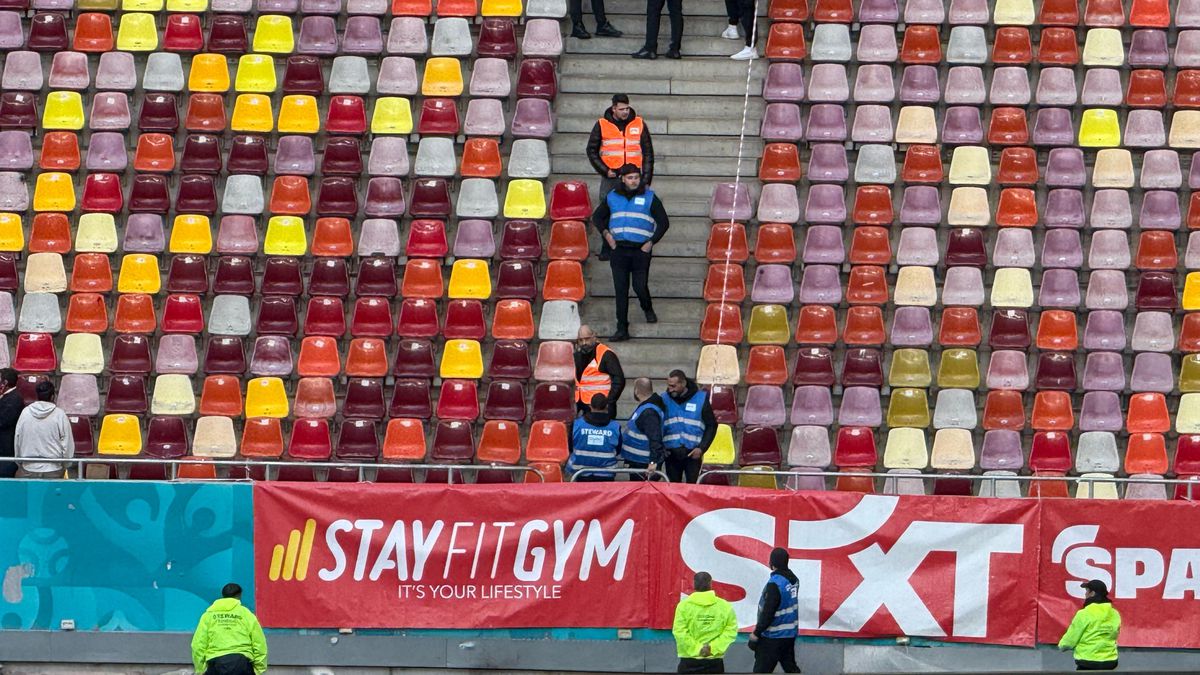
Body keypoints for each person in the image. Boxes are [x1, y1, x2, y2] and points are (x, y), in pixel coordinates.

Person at [592, 163, 670, 341]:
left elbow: (664, 223)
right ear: (622, 179)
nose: (634, 181)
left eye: (636, 177)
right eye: (630, 178)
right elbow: (597, 217)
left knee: (639, 286)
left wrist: (651, 242)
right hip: (619, 249)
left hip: (640, 250)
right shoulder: (612, 196)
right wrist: (607, 235)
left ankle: (647, 307)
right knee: (621, 290)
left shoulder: (649, 197)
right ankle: (622, 328)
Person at [586, 94, 655, 260]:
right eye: (622, 109)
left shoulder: (639, 123)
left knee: (633, 210)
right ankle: (607, 246)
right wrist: (604, 170)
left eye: (627, 108)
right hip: (612, 176)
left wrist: (646, 179)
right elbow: (591, 150)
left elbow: (648, 153)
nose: (625, 112)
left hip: (633, 176)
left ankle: (634, 244)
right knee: (607, 210)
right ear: (613, 109)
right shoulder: (602, 124)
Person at [191, 583, 268, 675]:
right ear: (239, 596)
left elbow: (197, 644)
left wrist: (200, 669)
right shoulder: (246, 614)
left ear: (223, 595)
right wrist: (259, 669)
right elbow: (259, 642)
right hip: (242, 663)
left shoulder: (208, 615)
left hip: (216, 662)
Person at [673, 571, 738, 674]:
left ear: (694, 584)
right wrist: (712, 648)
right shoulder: (725, 606)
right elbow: (730, 631)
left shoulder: (683, 606)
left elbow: (679, 632)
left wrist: (698, 649)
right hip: (714, 662)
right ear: (710, 584)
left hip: (689, 661)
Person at [750, 548, 801, 673]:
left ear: (772, 563)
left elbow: (768, 612)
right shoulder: (794, 580)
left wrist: (756, 633)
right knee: (790, 668)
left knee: (761, 670)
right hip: (789, 634)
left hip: (772, 636)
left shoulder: (775, 583)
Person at [662, 370, 717, 483]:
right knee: (672, 488)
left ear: (683, 383)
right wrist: (661, 447)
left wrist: (702, 448)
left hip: (693, 453)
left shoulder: (700, 398)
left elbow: (711, 425)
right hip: (671, 453)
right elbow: (657, 425)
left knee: (693, 487)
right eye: (669, 386)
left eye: (673, 386)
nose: (670, 389)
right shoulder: (663, 399)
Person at [13, 380, 74, 479]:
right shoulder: (60, 415)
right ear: (53, 396)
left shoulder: (25, 413)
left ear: (37, 395)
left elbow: (18, 440)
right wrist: (65, 464)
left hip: (29, 467)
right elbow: (67, 443)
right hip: (53, 468)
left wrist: (20, 461)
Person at [1058, 579, 1121, 671]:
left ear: (1092, 593)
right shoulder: (1115, 613)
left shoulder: (1084, 614)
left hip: (1088, 661)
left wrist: (1062, 646)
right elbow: (1114, 634)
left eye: (1087, 591)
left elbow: (1071, 639)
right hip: (1110, 661)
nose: (1085, 594)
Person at [568, 393, 622, 482]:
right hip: (606, 473)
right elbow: (618, 450)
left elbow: (570, 447)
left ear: (590, 406)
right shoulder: (615, 427)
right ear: (607, 406)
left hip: (580, 472)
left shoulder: (577, 424)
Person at [575, 325, 625, 417]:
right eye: (581, 340)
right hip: (582, 403)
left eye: (587, 339)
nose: (584, 343)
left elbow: (619, 380)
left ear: (594, 337)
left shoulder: (606, 354)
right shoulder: (577, 355)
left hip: (602, 407)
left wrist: (609, 401)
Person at [622, 377, 666, 479]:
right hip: (639, 461)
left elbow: (655, 438)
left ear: (636, 391)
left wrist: (653, 462)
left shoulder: (648, 411)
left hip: (644, 464)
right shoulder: (647, 408)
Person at [0, 368, 24, 478]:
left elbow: (3, 421)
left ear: (5, 382)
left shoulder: (14, 400)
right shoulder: (6, 397)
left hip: (6, 450)